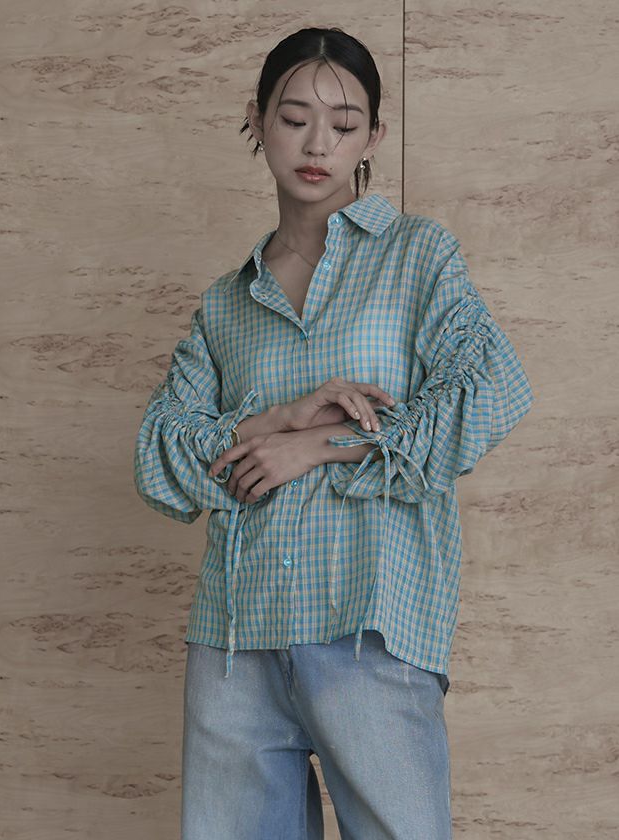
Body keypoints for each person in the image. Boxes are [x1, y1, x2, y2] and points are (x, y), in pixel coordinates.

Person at [134, 26, 534, 840]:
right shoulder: (226, 304)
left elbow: (489, 390)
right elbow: (160, 458)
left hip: (369, 629)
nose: (318, 144)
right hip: (236, 640)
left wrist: (315, 445)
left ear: (373, 136)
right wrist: (273, 419)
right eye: (294, 119)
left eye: (344, 124)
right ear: (257, 120)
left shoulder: (417, 257)